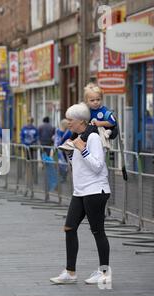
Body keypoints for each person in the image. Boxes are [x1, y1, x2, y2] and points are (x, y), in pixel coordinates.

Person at [50, 103, 112, 285]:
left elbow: (98, 165)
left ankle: (104, 273)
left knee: (97, 231)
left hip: (95, 190)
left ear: (81, 121)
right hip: (80, 191)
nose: (68, 123)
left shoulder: (92, 137)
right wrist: (70, 153)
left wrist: (82, 149)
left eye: (71, 120)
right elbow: (79, 166)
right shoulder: (77, 137)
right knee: (69, 228)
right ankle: (70, 272)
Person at [60, 83, 118, 151]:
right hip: (92, 132)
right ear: (87, 101)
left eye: (98, 99)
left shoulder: (104, 111)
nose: (95, 102)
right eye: (92, 100)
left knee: (90, 127)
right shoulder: (88, 110)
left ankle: (81, 141)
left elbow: (113, 122)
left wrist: (100, 123)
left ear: (101, 99)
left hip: (104, 131)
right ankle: (70, 141)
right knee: (79, 128)